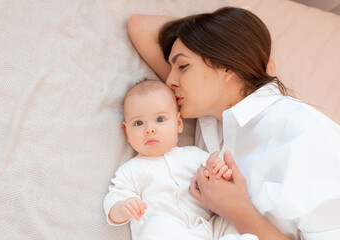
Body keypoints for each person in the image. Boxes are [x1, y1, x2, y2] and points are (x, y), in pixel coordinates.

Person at [127, 6, 340, 240]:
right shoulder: (211, 116)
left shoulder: (303, 133)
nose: (169, 81)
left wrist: (237, 211)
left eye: (183, 66)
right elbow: (139, 26)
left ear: (228, 66)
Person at [103, 79, 258, 240]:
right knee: (157, 225)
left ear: (178, 123)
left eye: (160, 119)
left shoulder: (196, 155)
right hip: (168, 233)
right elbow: (113, 199)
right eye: (138, 123)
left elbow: (219, 184)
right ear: (126, 131)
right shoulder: (131, 170)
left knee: (235, 226)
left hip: (206, 230)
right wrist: (122, 208)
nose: (150, 129)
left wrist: (221, 172)